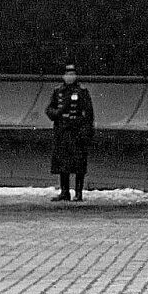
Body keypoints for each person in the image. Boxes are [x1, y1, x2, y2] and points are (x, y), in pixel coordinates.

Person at [45, 64, 94, 202]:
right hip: (62, 131)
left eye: (72, 74)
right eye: (67, 74)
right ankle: (64, 191)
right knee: (63, 163)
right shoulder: (58, 91)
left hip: (77, 131)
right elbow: (49, 109)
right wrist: (57, 113)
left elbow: (88, 113)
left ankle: (78, 193)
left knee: (79, 163)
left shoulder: (82, 91)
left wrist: (87, 130)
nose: (70, 76)